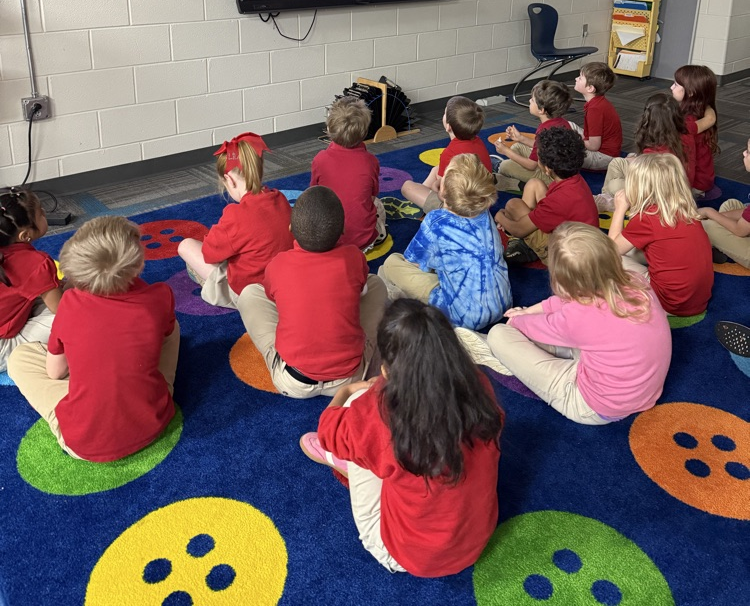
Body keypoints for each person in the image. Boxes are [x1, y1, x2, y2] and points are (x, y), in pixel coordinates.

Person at [299, 299, 504, 577]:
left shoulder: (379, 414)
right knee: (379, 438)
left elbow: (326, 430)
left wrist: (348, 391)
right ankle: (370, 458)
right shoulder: (479, 385)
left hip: (407, 555)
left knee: (358, 411)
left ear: (385, 369)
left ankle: (356, 459)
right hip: (478, 537)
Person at [456, 223, 671, 425]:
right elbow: (576, 300)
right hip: (644, 391)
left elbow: (523, 326)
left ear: (561, 282)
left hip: (594, 406)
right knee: (571, 335)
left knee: (499, 334)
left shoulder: (579, 316)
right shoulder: (634, 279)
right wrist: (532, 309)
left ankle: (502, 356)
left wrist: (521, 316)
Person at [8, 216, 179, 462]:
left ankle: (92, 389)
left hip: (83, 444)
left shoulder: (69, 304)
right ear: (138, 264)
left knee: (19, 359)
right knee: (171, 328)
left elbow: (55, 373)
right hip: (156, 420)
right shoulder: (160, 295)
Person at [237, 186, 387, 398]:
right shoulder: (354, 257)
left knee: (250, 294)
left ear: (290, 228)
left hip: (293, 381)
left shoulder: (279, 264)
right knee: (376, 284)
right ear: (343, 230)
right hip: (351, 378)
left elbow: (272, 298)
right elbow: (362, 289)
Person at [380, 154, 511, 331]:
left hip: (462, 316)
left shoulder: (436, 221)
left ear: (442, 191)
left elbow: (413, 261)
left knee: (390, 264)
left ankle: (395, 306)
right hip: (503, 303)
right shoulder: (484, 212)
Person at [177, 132, 293, 309]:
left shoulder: (235, 214)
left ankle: (208, 284)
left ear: (229, 180)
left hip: (251, 295)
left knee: (186, 246)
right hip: (285, 285)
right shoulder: (280, 199)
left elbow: (209, 254)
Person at [608, 153, 713, 318]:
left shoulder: (647, 218)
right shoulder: (686, 209)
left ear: (639, 186)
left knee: (606, 260)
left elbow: (610, 249)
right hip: (698, 300)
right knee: (635, 249)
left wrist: (620, 208)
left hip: (669, 303)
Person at [496, 125, 599, 266]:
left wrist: (500, 216)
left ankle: (529, 246)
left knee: (512, 205)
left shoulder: (560, 199)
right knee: (534, 184)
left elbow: (518, 229)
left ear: (547, 169)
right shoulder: (575, 180)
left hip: (569, 258)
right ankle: (527, 239)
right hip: (581, 241)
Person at [595, 91, 696, 210]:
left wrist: (636, 161)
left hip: (661, 196)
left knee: (614, 185)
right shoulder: (686, 134)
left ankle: (614, 204)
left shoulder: (656, 148)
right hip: (673, 186)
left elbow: (648, 178)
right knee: (617, 163)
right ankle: (608, 199)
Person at [311, 96, 385, 251]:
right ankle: (379, 234)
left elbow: (314, 194)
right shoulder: (371, 161)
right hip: (362, 242)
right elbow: (372, 195)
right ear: (364, 133)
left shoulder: (320, 159)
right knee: (378, 204)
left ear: (330, 129)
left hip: (326, 240)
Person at [0, 189, 61, 373]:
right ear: (25, 235)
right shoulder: (37, 263)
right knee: (80, 314)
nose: (45, 215)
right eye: (42, 213)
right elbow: (62, 311)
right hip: (4, 346)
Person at [401, 96, 491, 214]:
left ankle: (423, 201)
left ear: (448, 126)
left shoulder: (449, 154)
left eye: (444, 113)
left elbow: (442, 192)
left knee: (407, 187)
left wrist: (434, 186)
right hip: (483, 203)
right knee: (436, 169)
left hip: (459, 210)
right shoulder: (479, 142)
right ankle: (423, 193)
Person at [491, 80, 572, 191]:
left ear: (541, 110)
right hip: (554, 167)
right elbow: (542, 146)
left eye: (532, 100)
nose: (529, 100)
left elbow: (531, 165)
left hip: (551, 177)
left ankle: (500, 167)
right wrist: (521, 138)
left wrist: (505, 151)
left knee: (505, 166)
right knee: (517, 146)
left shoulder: (545, 129)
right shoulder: (562, 122)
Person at [699, 137, 750, 266]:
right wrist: (717, 216)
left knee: (707, 226)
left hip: (742, 231)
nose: (744, 153)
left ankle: (714, 244)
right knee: (730, 204)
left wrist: (709, 212)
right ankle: (719, 243)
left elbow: (740, 230)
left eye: (748, 152)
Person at [671, 64, 719, 195]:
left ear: (691, 92)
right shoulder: (703, 110)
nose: (671, 87)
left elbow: (685, 163)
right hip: (702, 179)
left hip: (692, 183)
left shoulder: (688, 123)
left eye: (675, 85)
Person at [571, 62, 622, 170]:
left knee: (561, 150)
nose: (576, 78)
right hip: (603, 151)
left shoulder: (595, 109)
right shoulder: (598, 102)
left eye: (580, 78)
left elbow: (594, 146)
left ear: (590, 88)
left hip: (602, 156)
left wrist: (574, 140)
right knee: (567, 125)